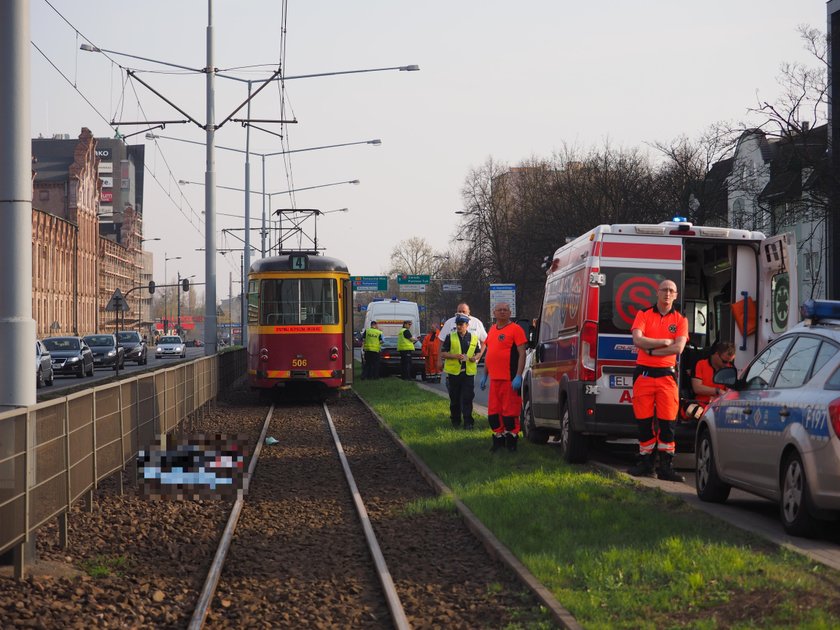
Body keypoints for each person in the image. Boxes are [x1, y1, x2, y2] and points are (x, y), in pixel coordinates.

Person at [627, 279, 688, 482]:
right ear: (657, 292)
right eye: (664, 290)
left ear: (676, 295)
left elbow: (678, 348)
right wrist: (663, 342)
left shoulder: (680, 320)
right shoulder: (643, 314)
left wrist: (650, 349)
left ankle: (666, 467)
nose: (668, 294)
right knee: (644, 423)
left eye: (672, 291)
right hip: (644, 375)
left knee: (668, 424)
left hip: (667, 376)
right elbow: (637, 340)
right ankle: (645, 464)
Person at [480, 302, 527, 452]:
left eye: (505, 310)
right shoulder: (492, 330)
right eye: (499, 310)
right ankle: (498, 441)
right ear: (494, 312)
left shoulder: (516, 329)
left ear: (509, 312)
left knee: (510, 414)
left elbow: (522, 353)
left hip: (510, 380)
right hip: (495, 380)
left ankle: (511, 442)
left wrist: (518, 375)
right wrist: (484, 375)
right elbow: (489, 354)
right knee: (493, 414)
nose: (502, 312)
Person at [440, 314, 482, 428]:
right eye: (457, 324)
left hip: (468, 373)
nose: (459, 327)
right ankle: (455, 421)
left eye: (461, 325)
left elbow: (478, 352)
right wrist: (454, 356)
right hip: (454, 373)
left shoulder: (473, 337)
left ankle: (468, 422)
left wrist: (475, 357)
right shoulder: (450, 337)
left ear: (467, 325)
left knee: (468, 398)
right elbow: (443, 353)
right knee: (455, 399)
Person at [691, 341, 736, 406]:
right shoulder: (700, 364)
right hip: (701, 404)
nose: (727, 365)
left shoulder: (730, 367)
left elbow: (731, 390)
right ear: (716, 354)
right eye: (724, 361)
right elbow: (697, 388)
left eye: (730, 361)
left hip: (721, 405)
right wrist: (717, 391)